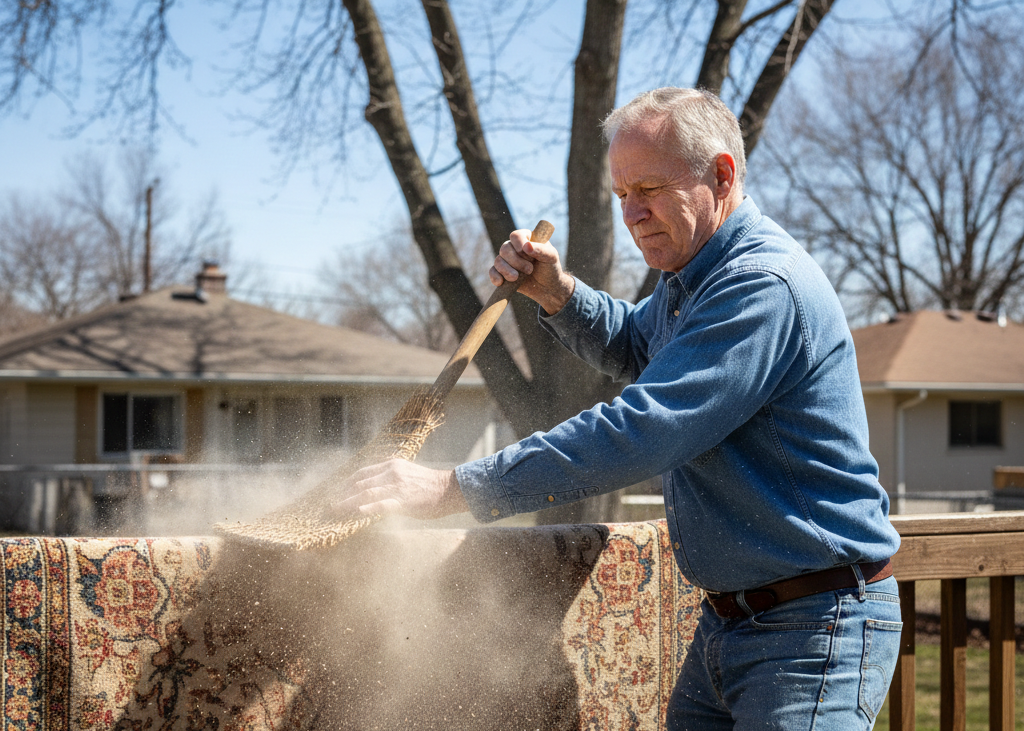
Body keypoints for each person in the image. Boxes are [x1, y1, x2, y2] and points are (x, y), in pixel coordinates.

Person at [333, 87, 902, 730]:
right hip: (728, 623)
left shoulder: (759, 286)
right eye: (621, 195)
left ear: (721, 174)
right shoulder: (694, 275)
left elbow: (644, 430)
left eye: (650, 189)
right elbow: (640, 345)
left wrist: (454, 486)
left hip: (809, 630)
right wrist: (555, 291)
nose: (633, 214)